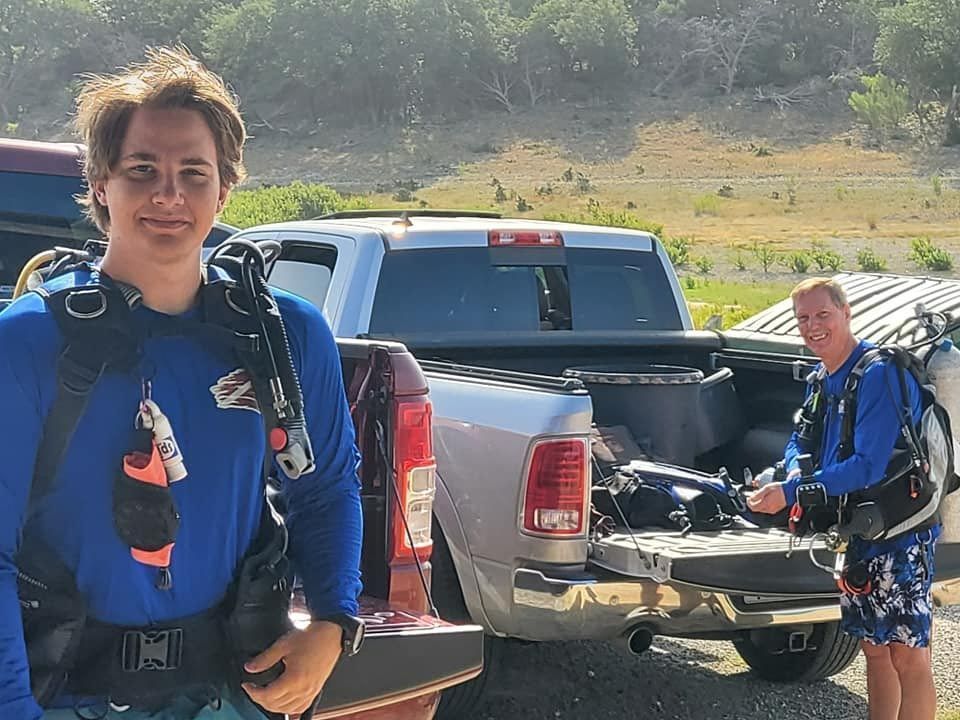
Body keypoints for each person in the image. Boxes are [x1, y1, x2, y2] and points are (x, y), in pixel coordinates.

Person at [0, 47, 363, 719]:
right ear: (101, 183)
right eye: (142, 169)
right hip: (64, 696)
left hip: (235, 692)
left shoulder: (286, 336)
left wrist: (334, 625)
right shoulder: (26, 343)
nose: (169, 194)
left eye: (193, 173)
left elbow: (326, 488)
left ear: (224, 189)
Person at [748, 277, 938, 720]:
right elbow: (800, 439)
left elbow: (868, 465)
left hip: (900, 533)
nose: (813, 326)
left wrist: (792, 492)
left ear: (846, 312)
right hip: (855, 532)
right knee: (874, 649)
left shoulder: (878, 373)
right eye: (803, 318)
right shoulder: (822, 378)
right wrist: (794, 470)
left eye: (822, 315)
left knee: (908, 655)